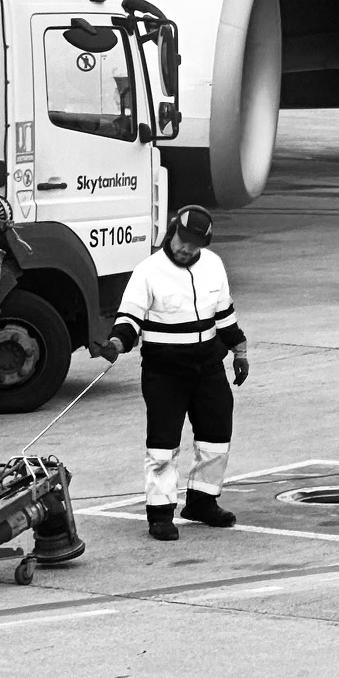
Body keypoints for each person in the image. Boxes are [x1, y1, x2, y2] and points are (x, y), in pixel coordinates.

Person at [101, 204, 249, 543]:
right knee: (163, 444)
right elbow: (130, 319)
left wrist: (240, 351)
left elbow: (224, 314)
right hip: (164, 372)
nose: (186, 250)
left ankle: (202, 502)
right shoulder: (148, 271)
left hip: (208, 366)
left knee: (216, 435)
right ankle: (160, 513)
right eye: (183, 242)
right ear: (172, 232)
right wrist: (116, 343)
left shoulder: (213, 265)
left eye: (194, 246)